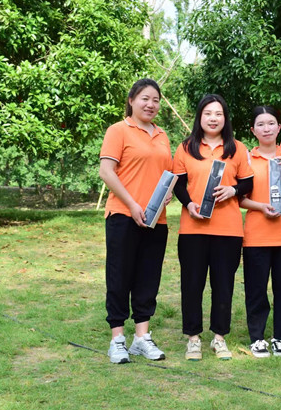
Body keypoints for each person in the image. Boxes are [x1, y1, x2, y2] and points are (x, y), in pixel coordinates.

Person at [172, 94, 254, 361]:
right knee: (192, 285)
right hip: (193, 229)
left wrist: (233, 190)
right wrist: (189, 205)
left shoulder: (237, 148)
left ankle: (219, 338)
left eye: (218, 113)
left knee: (223, 286)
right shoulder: (186, 148)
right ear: (200, 117)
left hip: (228, 231)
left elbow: (248, 183)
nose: (213, 118)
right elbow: (178, 184)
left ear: (225, 118)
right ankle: (193, 339)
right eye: (208, 113)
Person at [99, 79, 172, 364]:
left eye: (156, 100)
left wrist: (167, 194)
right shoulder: (118, 130)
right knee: (120, 276)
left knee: (148, 278)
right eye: (145, 98)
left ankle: (141, 338)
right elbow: (107, 171)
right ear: (131, 100)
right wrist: (132, 204)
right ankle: (117, 339)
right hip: (123, 215)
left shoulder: (163, 136)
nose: (151, 104)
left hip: (156, 220)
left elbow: (165, 175)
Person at [239, 106, 281, 358]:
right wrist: (261, 207)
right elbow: (240, 198)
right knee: (256, 289)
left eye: (271, 123)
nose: (266, 128)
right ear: (253, 130)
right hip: (256, 235)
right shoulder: (246, 159)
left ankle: (279, 338)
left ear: (279, 128)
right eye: (260, 124)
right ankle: (257, 338)